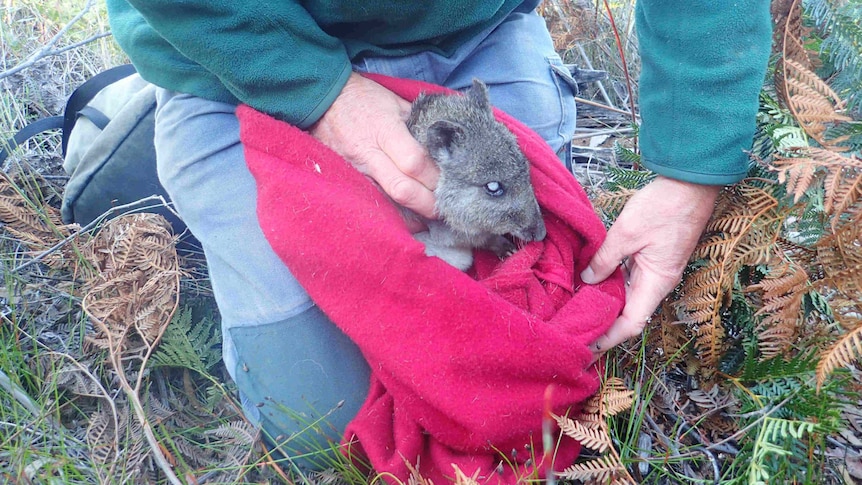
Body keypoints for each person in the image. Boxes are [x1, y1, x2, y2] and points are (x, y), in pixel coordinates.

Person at [105, 0, 772, 473]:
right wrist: (317, 92)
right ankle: (138, 115)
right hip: (238, 53)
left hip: (469, 40)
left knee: (533, 353)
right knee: (327, 424)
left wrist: (693, 166)